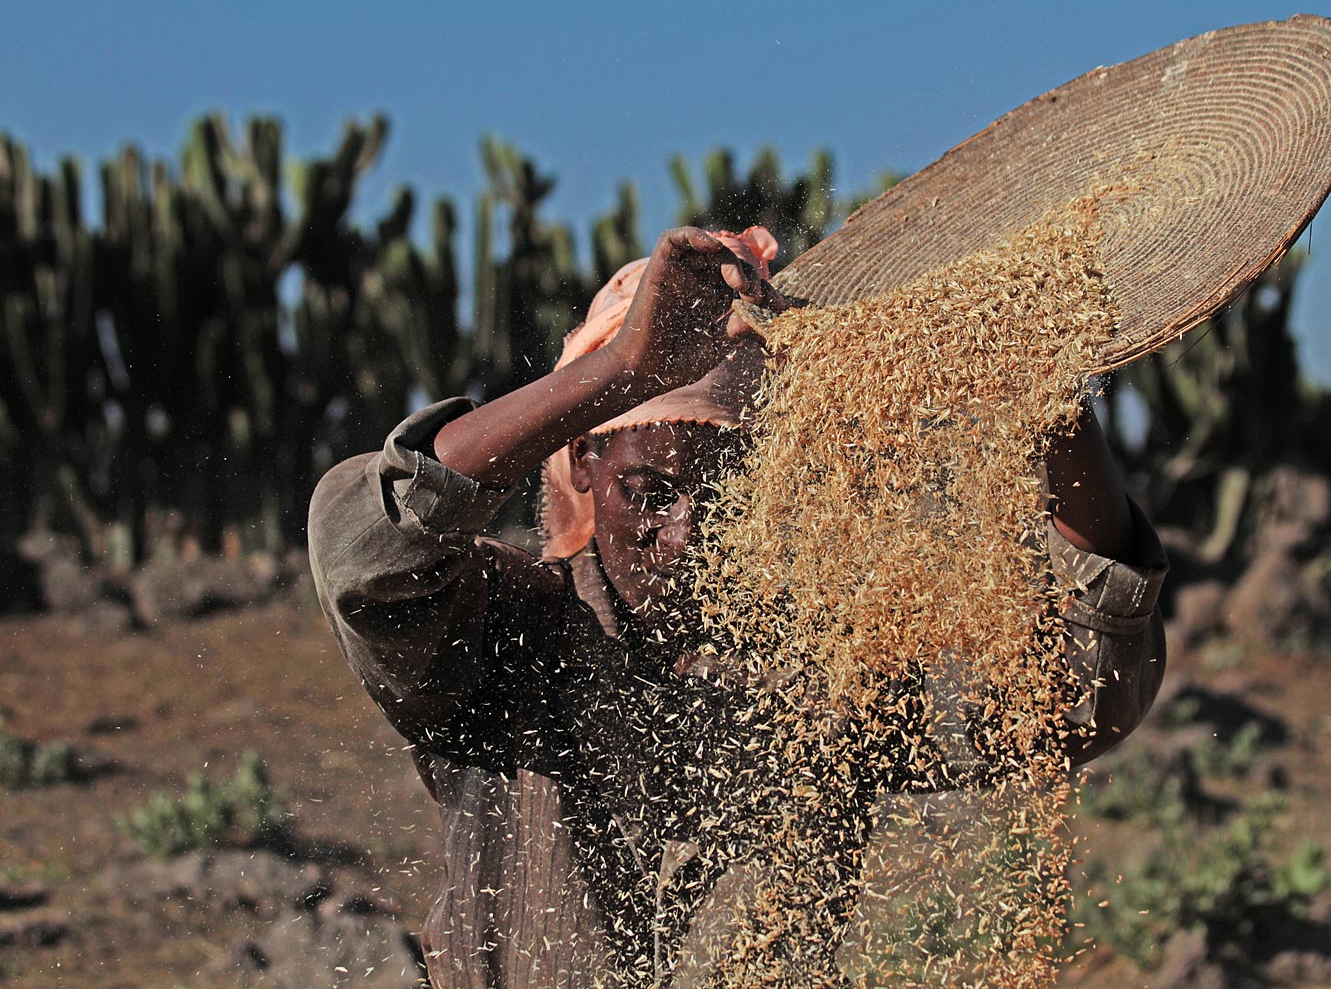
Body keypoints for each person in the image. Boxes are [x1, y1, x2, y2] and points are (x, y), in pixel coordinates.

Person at [308, 225, 1168, 988]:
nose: (686, 537)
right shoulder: (508, 633)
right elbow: (364, 550)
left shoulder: (834, 673)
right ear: (583, 465)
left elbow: (1073, 698)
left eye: (730, 503)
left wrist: (1042, 395)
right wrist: (622, 372)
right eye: (648, 493)